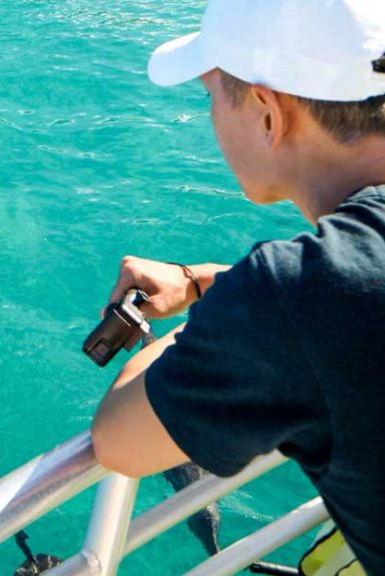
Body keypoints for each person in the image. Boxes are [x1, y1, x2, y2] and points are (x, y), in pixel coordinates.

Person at [90, 0, 385, 573]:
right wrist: (206, 283)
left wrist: (229, 310)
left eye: (210, 97)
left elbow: (118, 440)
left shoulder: (289, 300)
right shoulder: (326, 286)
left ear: (267, 113)